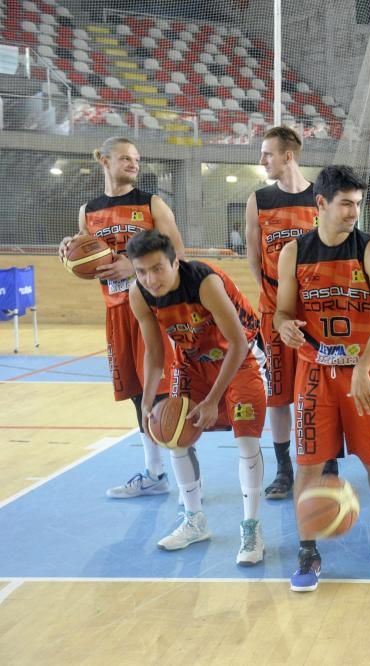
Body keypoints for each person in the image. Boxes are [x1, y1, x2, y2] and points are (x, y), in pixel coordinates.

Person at [273, 166, 370, 592]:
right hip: (314, 373)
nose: (353, 212)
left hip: (364, 370)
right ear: (321, 204)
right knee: (308, 463)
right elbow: (282, 311)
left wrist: (364, 367)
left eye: (357, 204)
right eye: (345, 204)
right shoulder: (294, 252)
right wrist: (285, 325)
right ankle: (307, 549)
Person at [126, 230, 267, 565]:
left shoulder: (204, 282)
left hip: (241, 356)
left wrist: (211, 401)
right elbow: (156, 352)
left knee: (246, 440)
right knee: (175, 437)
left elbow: (236, 343)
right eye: (142, 271)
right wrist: (148, 400)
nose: (151, 279)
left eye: (158, 268)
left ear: (176, 261)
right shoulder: (139, 294)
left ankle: (252, 529)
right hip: (192, 361)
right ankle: (194, 520)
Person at [58, 137, 185, 500]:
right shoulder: (89, 210)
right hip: (116, 310)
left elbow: (177, 251)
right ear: (104, 160)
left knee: (161, 393)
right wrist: (68, 248)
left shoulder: (151, 203)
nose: (133, 163)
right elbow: (87, 255)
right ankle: (155, 473)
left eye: (136, 159)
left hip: (153, 310)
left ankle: (187, 480)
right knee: (134, 394)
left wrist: (135, 264)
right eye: (126, 158)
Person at [245, 126, 338, 501]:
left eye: (267, 154)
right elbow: (253, 256)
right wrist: (274, 298)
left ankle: (328, 461)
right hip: (275, 314)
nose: (262, 160)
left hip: (317, 314)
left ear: (288, 156)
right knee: (279, 395)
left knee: (322, 391)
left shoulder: (321, 196)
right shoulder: (259, 199)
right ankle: (285, 469)